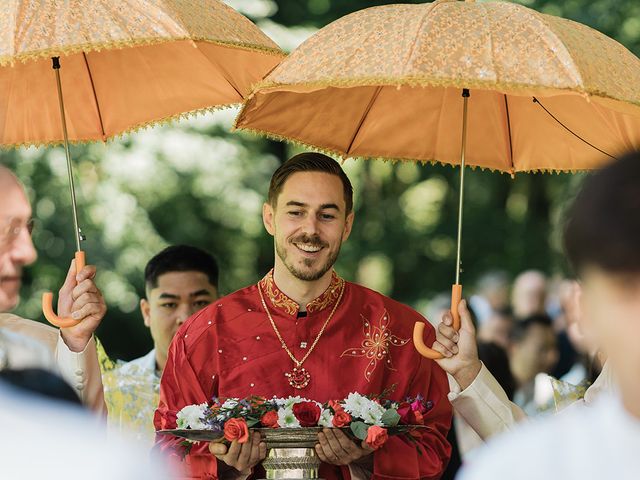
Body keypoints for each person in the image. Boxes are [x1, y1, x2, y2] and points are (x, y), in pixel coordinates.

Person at [155, 153, 452, 480]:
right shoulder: (204, 334)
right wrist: (225, 465)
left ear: (347, 225)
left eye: (327, 215)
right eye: (296, 212)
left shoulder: (403, 331)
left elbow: (434, 450)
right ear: (270, 218)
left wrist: (368, 459)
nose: (310, 230)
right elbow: (167, 455)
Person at [459, 152, 640, 479]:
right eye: (627, 289)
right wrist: (469, 372)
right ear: (585, 309)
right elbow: (540, 446)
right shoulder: (513, 466)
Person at [0, 166, 106, 412]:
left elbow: (85, 439)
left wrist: (75, 340)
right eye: (8, 233)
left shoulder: (42, 348)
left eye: (26, 232)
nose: (28, 253)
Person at [103, 245, 219, 445]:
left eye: (200, 303)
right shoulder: (113, 391)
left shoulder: (247, 385)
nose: (185, 318)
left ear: (221, 308)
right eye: (169, 304)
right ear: (147, 312)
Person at [508, 314, 558, 415]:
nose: (552, 357)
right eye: (542, 349)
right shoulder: (492, 387)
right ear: (514, 347)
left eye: (554, 347)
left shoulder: (550, 394)